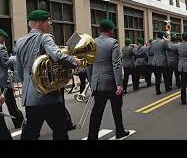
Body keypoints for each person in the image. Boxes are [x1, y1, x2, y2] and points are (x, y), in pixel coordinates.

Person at [17, 10, 82, 140]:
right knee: (60, 130)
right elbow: (57, 56)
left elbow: (20, 69)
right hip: (47, 93)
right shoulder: (45, 37)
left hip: (30, 95)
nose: (51, 24)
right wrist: (74, 61)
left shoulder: (20, 41)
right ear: (40, 23)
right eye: (48, 20)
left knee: (31, 131)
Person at [87, 19, 129, 140]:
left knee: (96, 112)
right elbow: (116, 65)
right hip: (111, 83)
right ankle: (119, 131)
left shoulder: (92, 43)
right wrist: (119, 84)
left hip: (98, 82)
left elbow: (89, 65)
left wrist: (91, 82)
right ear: (111, 30)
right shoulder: (113, 43)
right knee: (116, 109)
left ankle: (92, 136)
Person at [0, 28, 24, 129]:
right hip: (3, 81)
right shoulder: (1, 48)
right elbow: (6, 63)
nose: (3, 40)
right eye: (3, 37)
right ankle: (19, 122)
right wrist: (14, 58)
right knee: (11, 104)